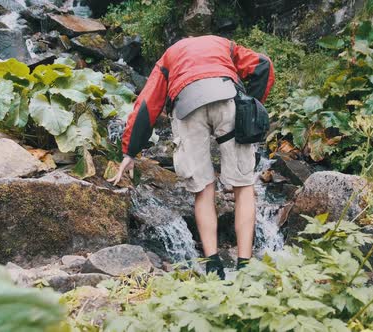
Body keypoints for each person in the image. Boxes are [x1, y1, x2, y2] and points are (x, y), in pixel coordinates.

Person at [110, 35, 275, 279]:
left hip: (187, 106)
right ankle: (245, 266)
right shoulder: (223, 44)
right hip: (226, 97)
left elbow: (147, 104)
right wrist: (250, 107)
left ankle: (213, 266)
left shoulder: (170, 56)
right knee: (243, 186)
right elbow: (263, 65)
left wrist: (130, 152)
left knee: (203, 188)